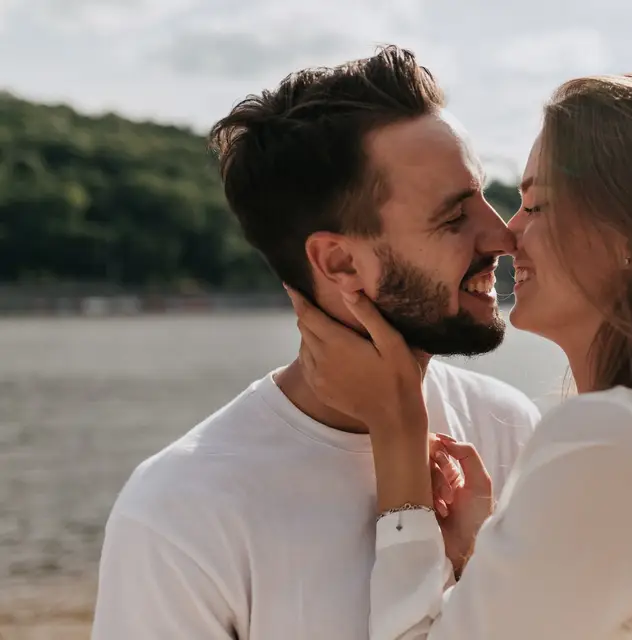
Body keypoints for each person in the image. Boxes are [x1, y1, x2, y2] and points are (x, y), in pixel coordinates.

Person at [288, 72, 632, 639]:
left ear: (630, 239)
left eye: (536, 204)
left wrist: (397, 432)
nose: (509, 233)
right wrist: (485, 548)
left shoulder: (613, 438)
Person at [90, 46, 540, 640]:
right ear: (339, 262)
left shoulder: (506, 427)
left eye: (484, 196)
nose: (502, 236)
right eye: (453, 218)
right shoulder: (182, 512)